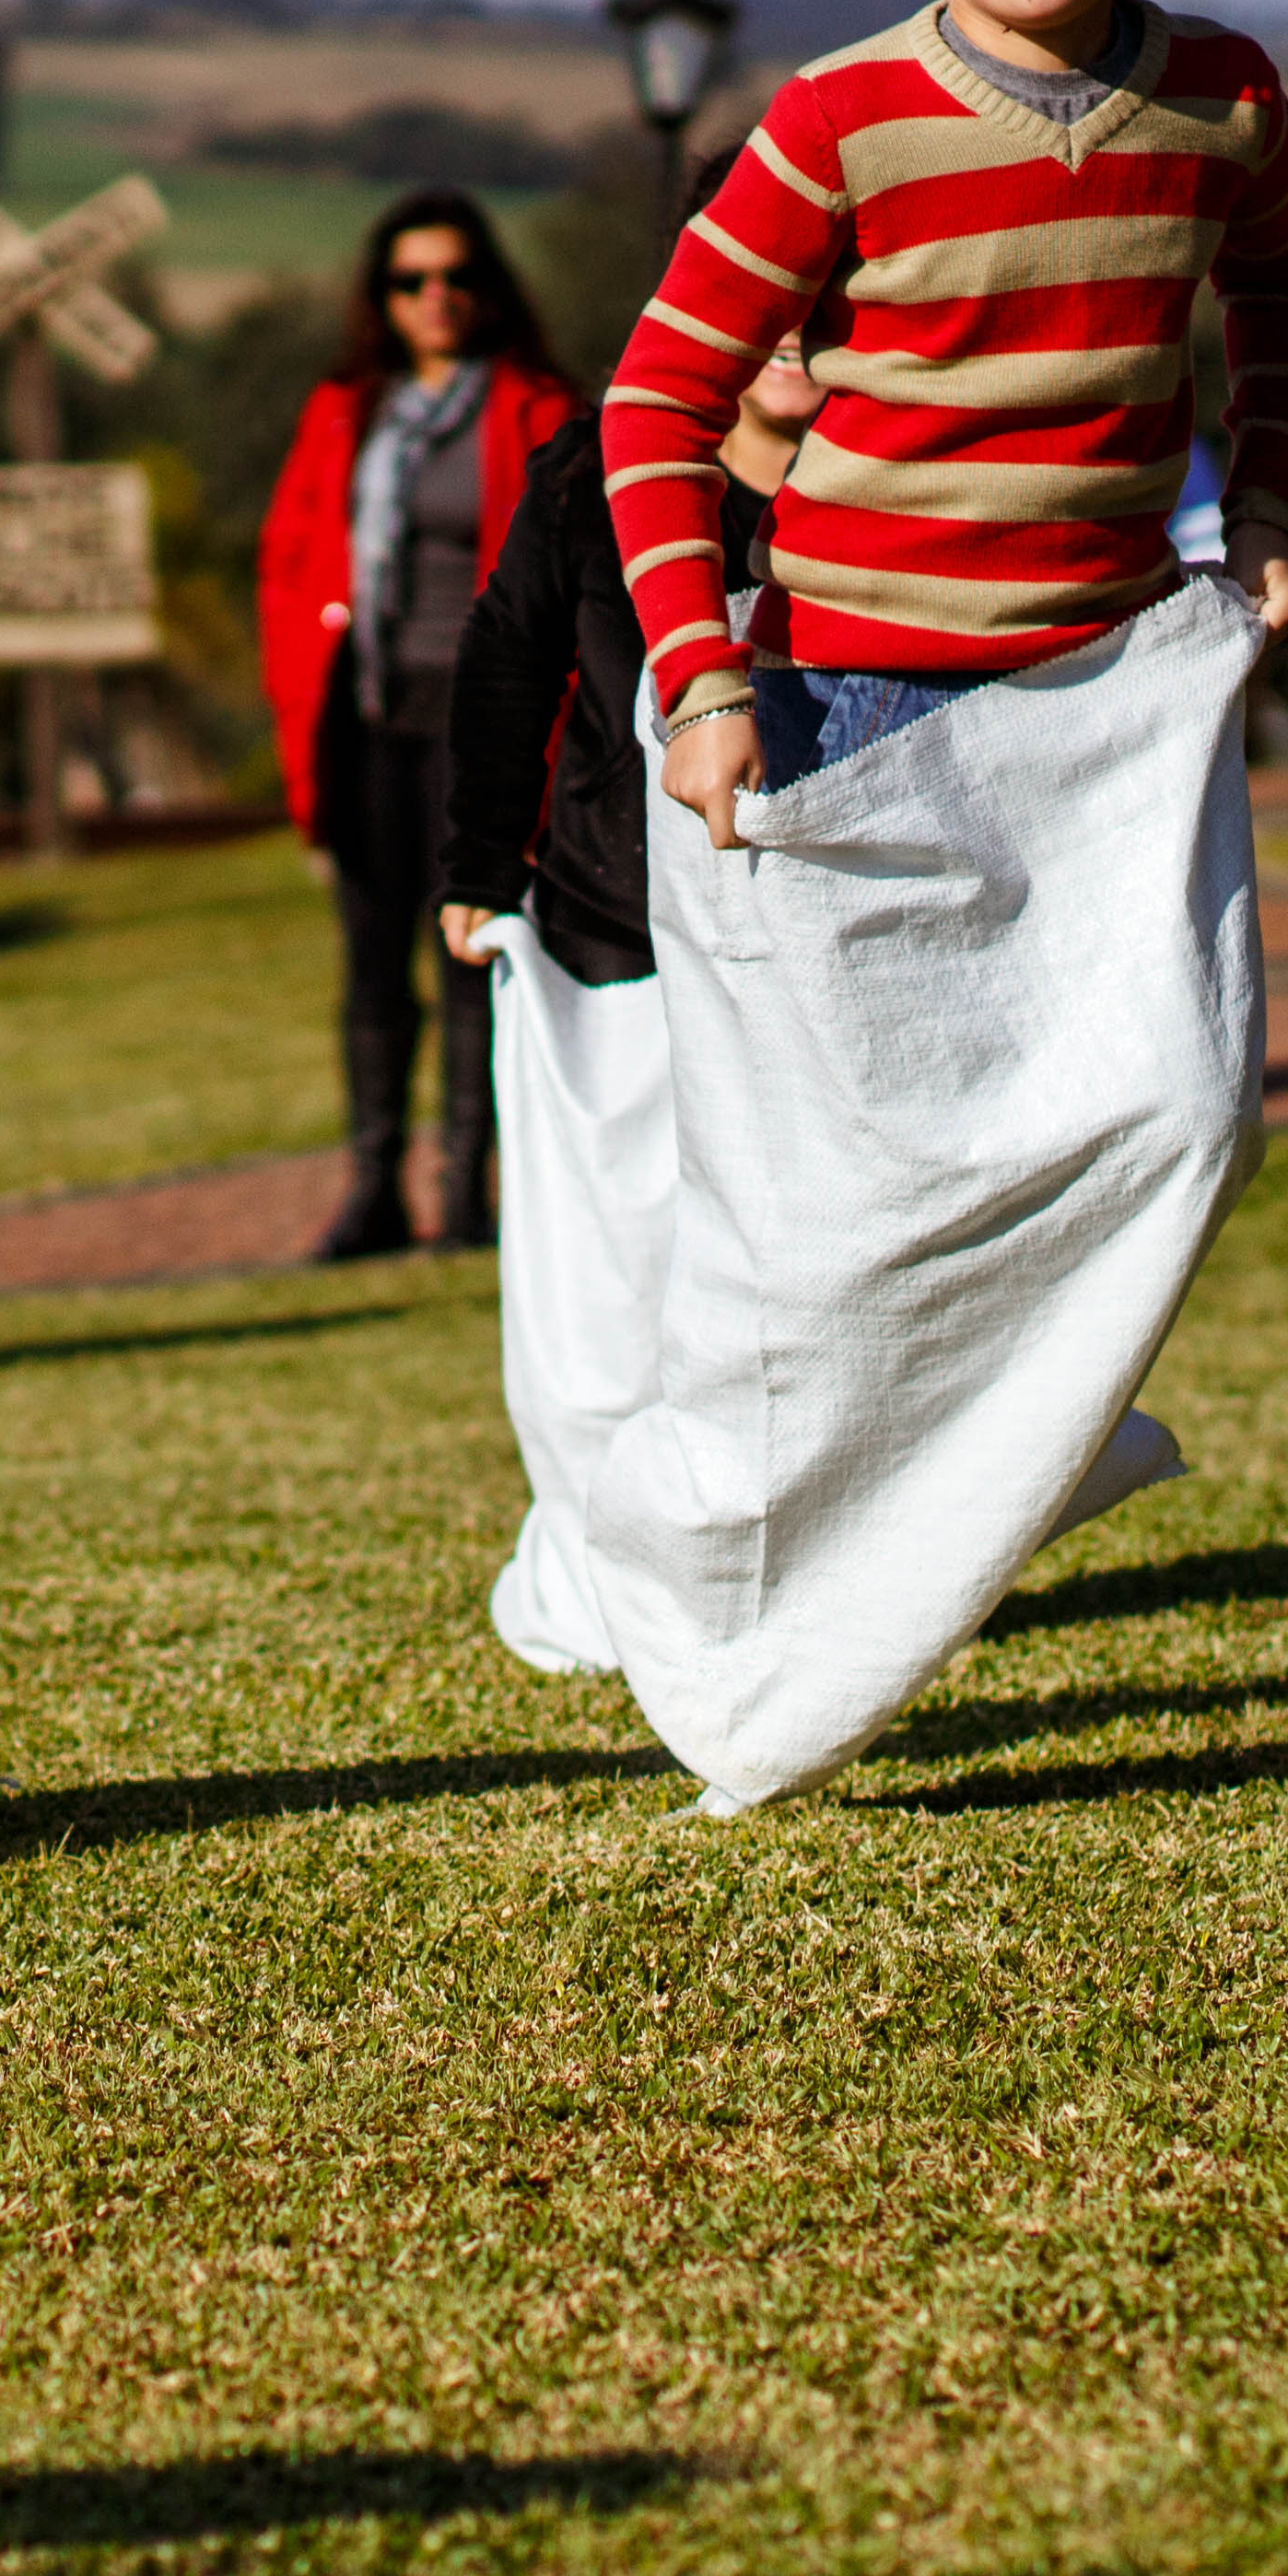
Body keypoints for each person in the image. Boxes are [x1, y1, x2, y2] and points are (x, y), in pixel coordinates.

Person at [585, 0, 1288, 1811]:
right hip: (850, 703)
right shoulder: (834, 120)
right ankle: (735, 1593)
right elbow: (651, 397)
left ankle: (1019, 1418)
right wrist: (704, 677)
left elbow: (1284, 282)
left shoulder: (1223, 98)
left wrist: (1267, 487)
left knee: (1181, 1111)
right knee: (854, 1207)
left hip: (1106, 710)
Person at [428, 345, 814, 1673]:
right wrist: (480, 864)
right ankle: (626, 1570)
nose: (803, 336)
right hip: (619, 933)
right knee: (618, 1292)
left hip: (821, 962)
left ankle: (801, 1570)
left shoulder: (894, 477)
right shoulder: (601, 472)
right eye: (777, 306)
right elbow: (508, 656)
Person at [255, 189, 581, 1258]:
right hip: (368, 721)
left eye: (454, 277)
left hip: (483, 724)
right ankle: (372, 1190)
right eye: (410, 281)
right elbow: (293, 563)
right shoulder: (347, 412)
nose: (434, 299)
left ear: (487, 289)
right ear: (382, 298)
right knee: (371, 967)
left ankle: (468, 1198)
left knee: (473, 959)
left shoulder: (534, 407)